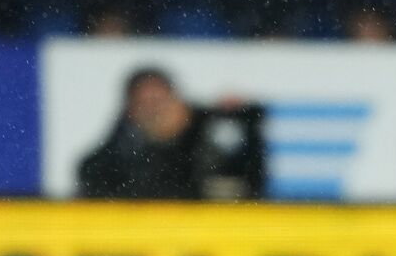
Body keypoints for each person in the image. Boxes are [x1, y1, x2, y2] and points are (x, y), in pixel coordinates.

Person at [77, 68, 266, 200]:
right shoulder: (121, 153)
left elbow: (246, 177)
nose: (154, 111)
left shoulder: (204, 139)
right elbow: (92, 175)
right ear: (130, 111)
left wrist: (239, 121)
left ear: (177, 103)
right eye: (145, 103)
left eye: (159, 102)